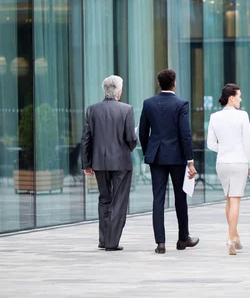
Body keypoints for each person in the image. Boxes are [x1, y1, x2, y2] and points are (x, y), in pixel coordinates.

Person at [138, 69, 199, 254]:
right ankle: (183, 239)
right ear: (174, 84)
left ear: (159, 84)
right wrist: (190, 160)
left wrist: (150, 150)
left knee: (158, 198)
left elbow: (142, 132)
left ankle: (160, 243)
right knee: (181, 198)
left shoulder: (148, 103)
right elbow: (185, 134)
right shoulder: (181, 104)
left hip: (156, 156)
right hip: (177, 156)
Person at [81, 75, 138, 251]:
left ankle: (104, 239)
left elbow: (86, 139)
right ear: (119, 92)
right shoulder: (126, 109)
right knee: (119, 201)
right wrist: (129, 147)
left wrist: (86, 163)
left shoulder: (92, 110)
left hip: (99, 163)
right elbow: (131, 138)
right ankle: (112, 242)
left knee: (104, 199)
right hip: (121, 162)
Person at [207, 84, 250, 255]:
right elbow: (248, 142)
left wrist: (224, 149)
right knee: (235, 200)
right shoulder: (242, 116)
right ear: (231, 98)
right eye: (239, 96)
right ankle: (230, 238)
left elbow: (211, 144)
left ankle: (235, 235)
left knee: (228, 199)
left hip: (222, 163)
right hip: (239, 161)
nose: (241, 99)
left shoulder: (214, 117)